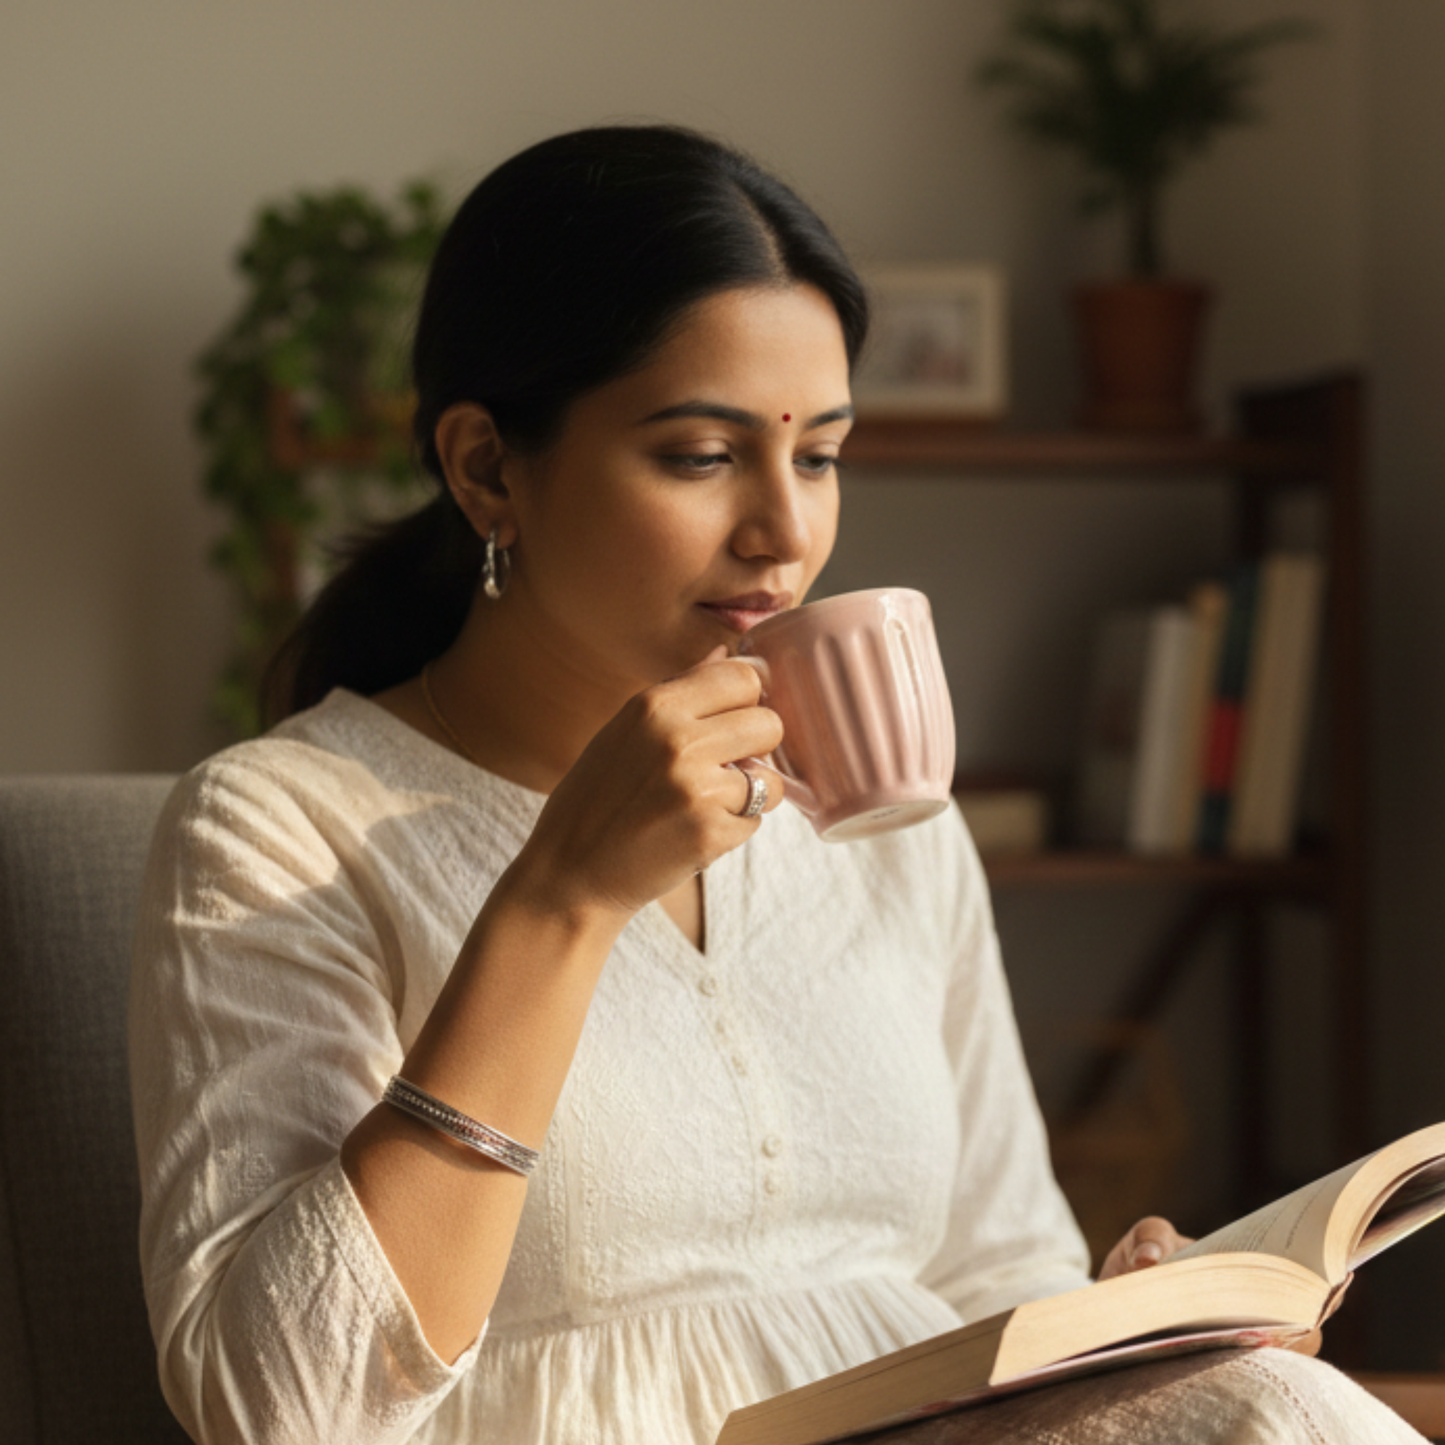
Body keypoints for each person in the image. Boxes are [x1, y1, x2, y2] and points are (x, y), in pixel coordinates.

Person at [128, 125, 1421, 1445]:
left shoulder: (883, 825)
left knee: (1273, 1409)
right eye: (701, 454)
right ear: (485, 467)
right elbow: (284, 1403)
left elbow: (995, 1271)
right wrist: (560, 903)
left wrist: (1126, 1323)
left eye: (819, 455)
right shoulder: (279, 829)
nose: (787, 534)